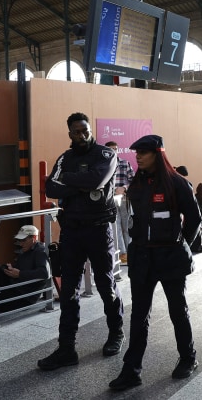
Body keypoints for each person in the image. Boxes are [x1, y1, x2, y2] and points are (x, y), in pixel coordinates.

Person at [109, 134, 202, 391]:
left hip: (170, 257)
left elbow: (194, 219)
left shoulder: (177, 183)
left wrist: (179, 242)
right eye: (136, 152)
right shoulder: (136, 184)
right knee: (139, 316)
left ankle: (188, 358)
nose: (137, 156)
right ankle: (131, 371)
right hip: (142, 259)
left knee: (177, 311)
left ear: (158, 154)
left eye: (144, 152)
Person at [38, 112, 125, 371]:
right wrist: (81, 185)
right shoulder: (66, 157)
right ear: (70, 134)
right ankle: (67, 348)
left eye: (85, 130)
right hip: (72, 232)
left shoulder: (105, 155)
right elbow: (50, 188)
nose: (82, 135)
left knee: (105, 284)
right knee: (68, 291)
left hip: (98, 230)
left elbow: (97, 180)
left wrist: (68, 180)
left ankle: (116, 334)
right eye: (77, 131)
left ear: (89, 130)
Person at [0, 224, 50, 313]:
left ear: (33, 238)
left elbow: (45, 273)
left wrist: (19, 274)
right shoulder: (25, 251)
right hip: (14, 284)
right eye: (19, 240)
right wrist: (9, 269)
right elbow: (19, 269)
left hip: (24, 295)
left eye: (24, 240)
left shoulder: (40, 251)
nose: (21, 243)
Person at [104, 141, 135, 265]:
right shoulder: (103, 165)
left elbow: (134, 181)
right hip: (110, 200)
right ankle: (122, 253)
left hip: (124, 199)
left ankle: (131, 251)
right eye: (111, 149)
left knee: (126, 226)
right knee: (115, 227)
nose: (114, 151)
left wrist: (125, 188)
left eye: (115, 148)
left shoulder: (124, 163)